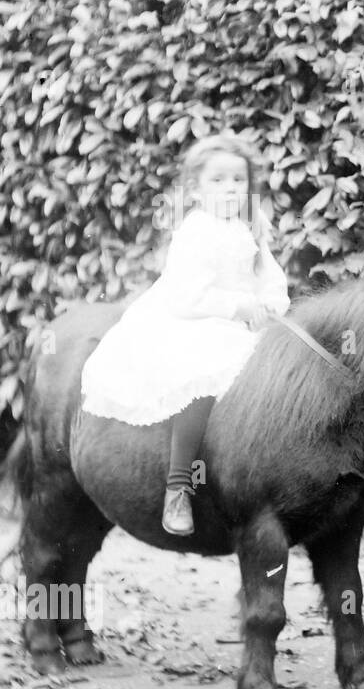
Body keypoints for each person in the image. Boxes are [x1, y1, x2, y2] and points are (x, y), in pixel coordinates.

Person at [81, 134, 291, 535]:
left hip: (244, 325)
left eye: (237, 181)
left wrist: (268, 305)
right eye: (218, 181)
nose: (230, 189)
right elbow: (186, 298)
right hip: (194, 322)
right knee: (203, 382)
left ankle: (263, 483)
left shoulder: (251, 226)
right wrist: (239, 307)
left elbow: (269, 276)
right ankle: (179, 486)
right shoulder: (197, 231)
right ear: (196, 188)